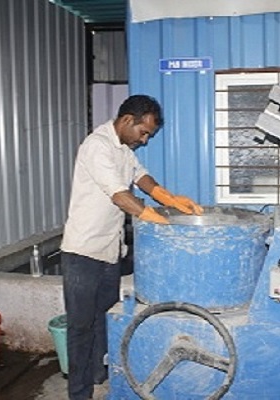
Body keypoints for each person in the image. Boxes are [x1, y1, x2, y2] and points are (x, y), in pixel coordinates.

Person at [60, 94, 203, 400]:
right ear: (127, 120)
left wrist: (168, 198)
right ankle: (79, 392)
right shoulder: (97, 146)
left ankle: (100, 376)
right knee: (81, 326)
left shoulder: (125, 148)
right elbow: (119, 195)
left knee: (105, 319)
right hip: (82, 252)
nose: (145, 139)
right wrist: (154, 218)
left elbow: (141, 177)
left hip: (110, 250)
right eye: (144, 132)